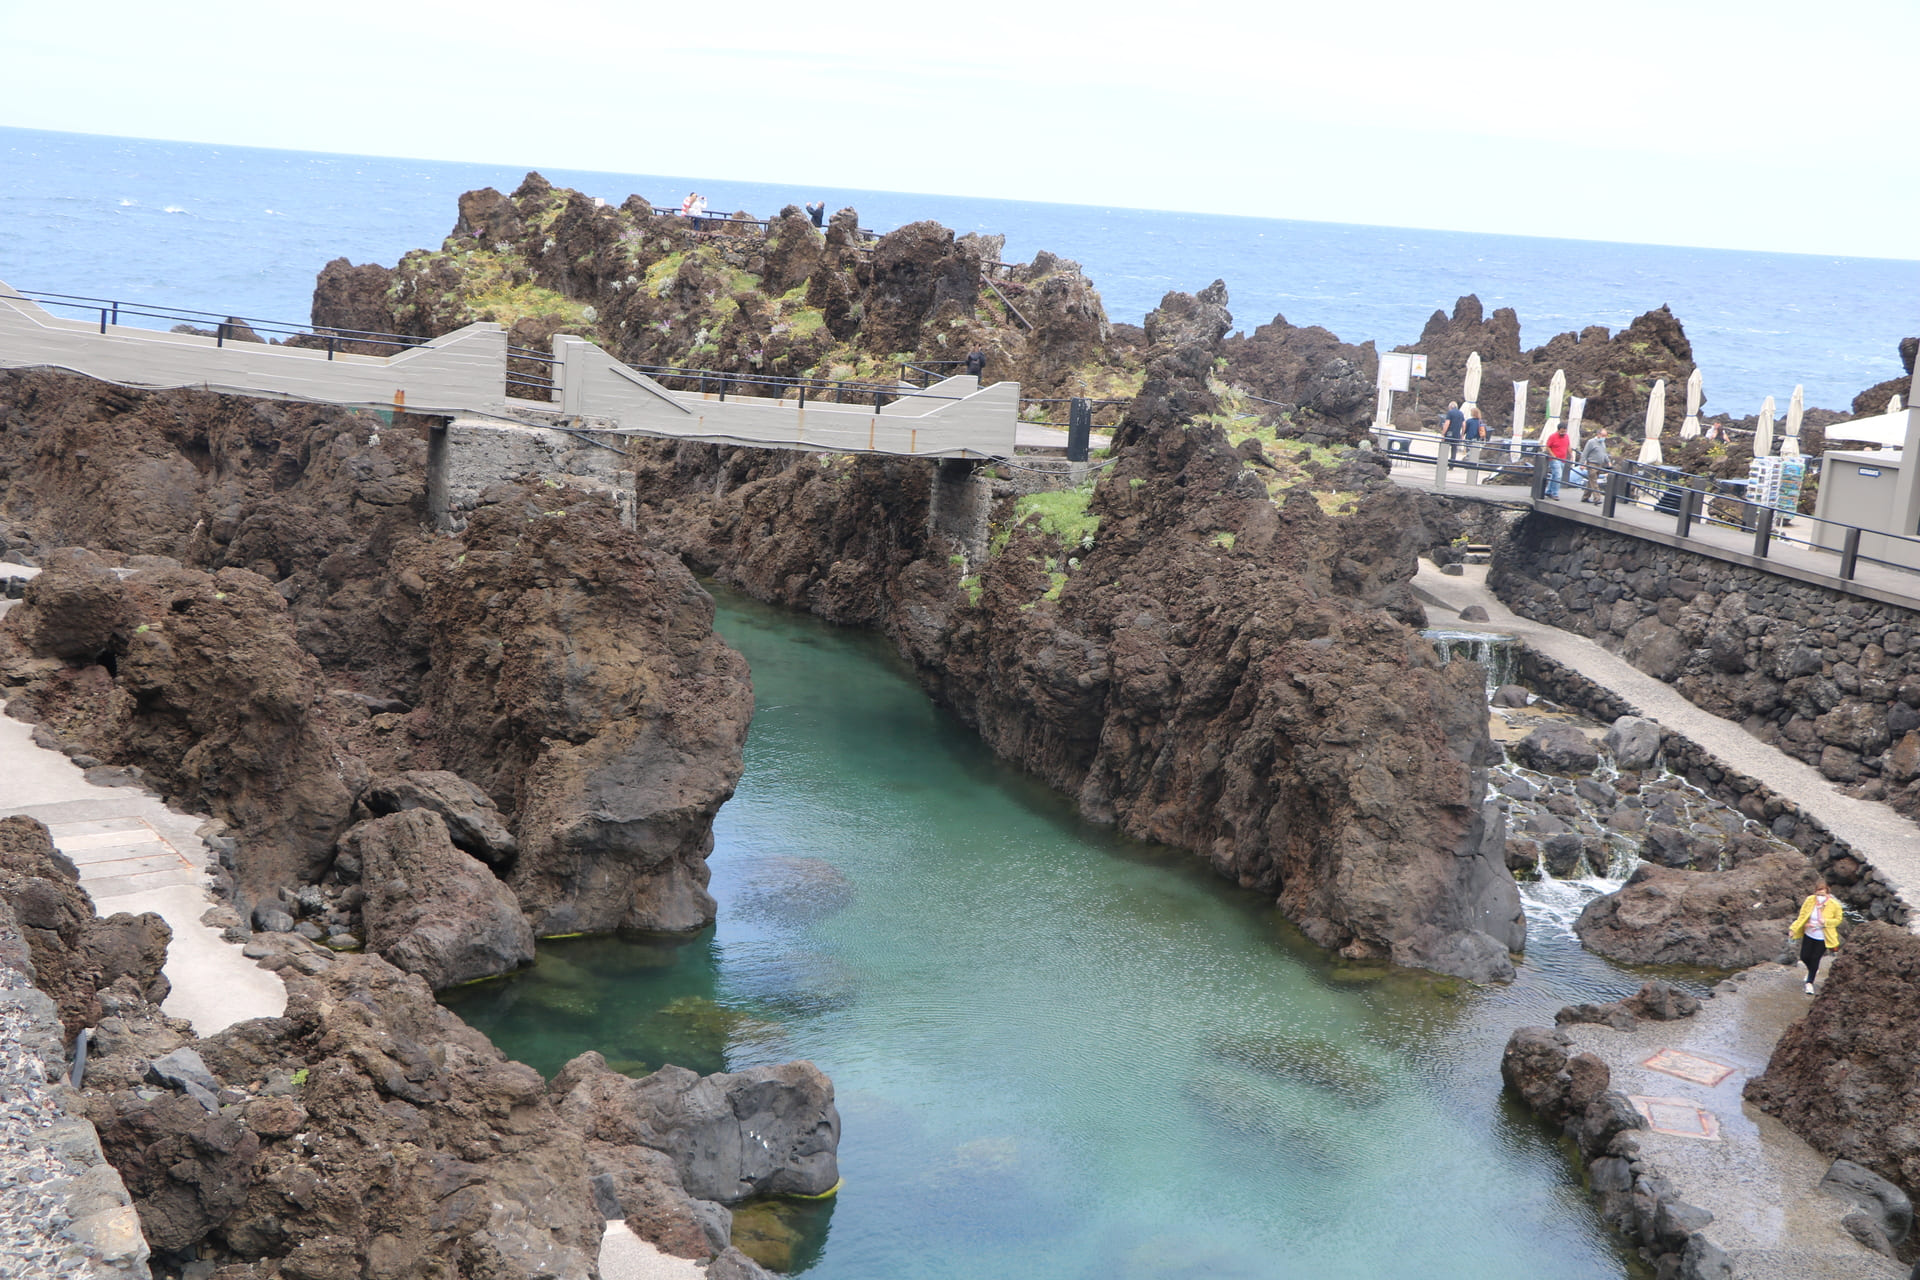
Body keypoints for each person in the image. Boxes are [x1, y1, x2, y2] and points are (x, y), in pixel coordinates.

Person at [1789, 880, 1843, 994]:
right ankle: (1813, 970)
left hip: (1823, 936)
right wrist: (1793, 929)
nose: (1820, 898)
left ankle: (1809, 982)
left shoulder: (1835, 905)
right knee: (1804, 956)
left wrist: (1826, 921)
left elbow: (1838, 920)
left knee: (1815, 958)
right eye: (1818, 895)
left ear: (1828, 894)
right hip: (1809, 933)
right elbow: (1802, 915)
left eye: (1822, 895)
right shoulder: (1810, 900)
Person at [1573, 425, 1611, 503]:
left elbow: (1604, 453)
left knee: (1591, 481)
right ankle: (1597, 498)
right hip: (1592, 464)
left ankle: (1585, 497)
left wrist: (1608, 461)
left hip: (1599, 464)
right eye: (1603, 435)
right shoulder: (1591, 442)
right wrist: (1582, 463)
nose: (1604, 437)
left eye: (1605, 436)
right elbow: (1585, 453)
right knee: (1594, 481)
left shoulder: (1603, 443)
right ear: (1598, 434)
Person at [1544, 421, 1571, 498]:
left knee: (1555, 475)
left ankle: (1549, 491)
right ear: (1558, 430)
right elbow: (1548, 446)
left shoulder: (1566, 436)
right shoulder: (1552, 436)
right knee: (1558, 475)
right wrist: (1553, 455)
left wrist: (1571, 454)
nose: (1563, 433)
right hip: (1554, 459)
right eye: (1562, 431)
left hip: (1563, 459)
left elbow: (1568, 445)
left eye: (1565, 431)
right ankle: (1555, 493)